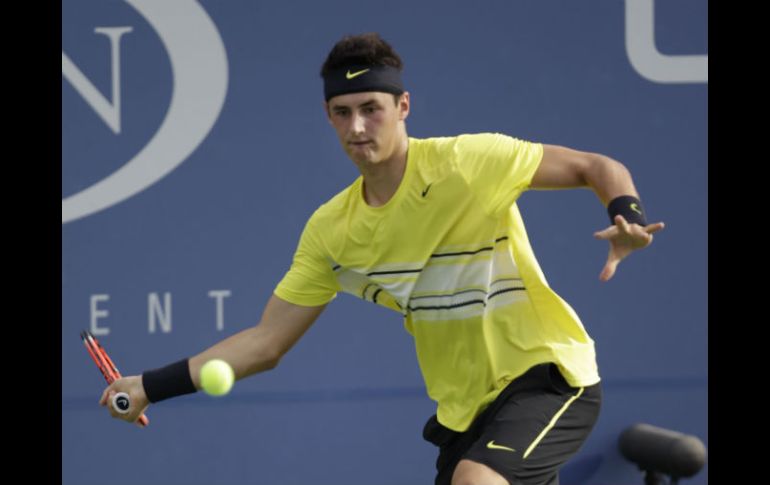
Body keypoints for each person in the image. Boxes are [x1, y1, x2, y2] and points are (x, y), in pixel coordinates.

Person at [100, 32, 665, 485]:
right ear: (328, 116)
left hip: (549, 377)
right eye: (342, 112)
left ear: (403, 106)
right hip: (465, 412)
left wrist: (628, 216)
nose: (357, 127)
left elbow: (596, 166)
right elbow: (265, 343)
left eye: (371, 108)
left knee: (477, 481)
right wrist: (149, 385)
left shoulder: (468, 163)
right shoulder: (332, 232)